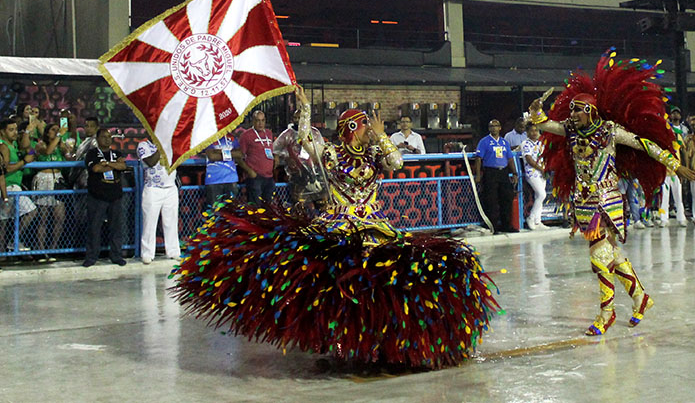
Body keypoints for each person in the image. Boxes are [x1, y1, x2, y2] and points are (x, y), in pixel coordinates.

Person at [171, 86, 498, 370]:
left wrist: (383, 136)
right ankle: (335, 335)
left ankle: (374, 333)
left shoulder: (373, 154)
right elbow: (303, 144)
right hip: (337, 225)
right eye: (366, 125)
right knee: (335, 285)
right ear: (352, 127)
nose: (369, 130)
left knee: (380, 282)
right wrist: (305, 113)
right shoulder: (330, 153)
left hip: (373, 224)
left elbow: (396, 162)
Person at [528, 50, 695, 336]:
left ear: (591, 110)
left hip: (606, 200)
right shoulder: (570, 130)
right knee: (612, 254)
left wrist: (674, 164)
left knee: (598, 257)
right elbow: (545, 125)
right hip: (582, 201)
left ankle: (607, 312)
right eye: (573, 110)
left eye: (579, 109)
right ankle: (640, 297)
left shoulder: (609, 131)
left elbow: (644, 144)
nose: (574, 114)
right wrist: (536, 112)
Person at [83, 128, 127, 267]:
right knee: (94, 227)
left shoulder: (116, 153)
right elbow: (95, 169)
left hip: (115, 195)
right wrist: (114, 166)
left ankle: (116, 255)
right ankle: (91, 257)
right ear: (97, 139)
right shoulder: (92, 153)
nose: (107, 139)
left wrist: (107, 164)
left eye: (109, 137)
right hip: (98, 195)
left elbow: (122, 166)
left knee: (116, 227)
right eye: (104, 137)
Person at [137, 137, 181, 265]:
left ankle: (173, 251)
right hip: (153, 189)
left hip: (170, 187)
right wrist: (160, 147)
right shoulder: (143, 145)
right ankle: (147, 254)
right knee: (149, 222)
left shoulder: (169, 143)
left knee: (171, 221)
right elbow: (150, 162)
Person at [273, 109, 327, 206]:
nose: (297, 120)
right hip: (297, 175)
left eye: (300, 117)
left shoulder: (314, 133)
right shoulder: (287, 134)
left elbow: (322, 150)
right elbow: (275, 149)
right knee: (300, 204)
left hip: (315, 174)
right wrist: (286, 157)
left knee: (321, 203)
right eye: (295, 118)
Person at [474, 118, 519, 233]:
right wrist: (478, 175)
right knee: (491, 200)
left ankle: (506, 225)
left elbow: (509, 158)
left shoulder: (504, 142)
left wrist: (514, 173)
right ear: (489, 129)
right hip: (490, 172)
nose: (494, 128)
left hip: (503, 172)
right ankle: (493, 226)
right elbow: (478, 159)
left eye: (496, 126)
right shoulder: (484, 141)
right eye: (491, 126)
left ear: (500, 128)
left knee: (506, 198)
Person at [32, 123, 69, 258]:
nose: (57, 132)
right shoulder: (40, 144)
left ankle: (53, 248)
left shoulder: (60, 144)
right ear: (47, 133)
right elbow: (47, 151)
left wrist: (67, 149)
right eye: (54, 130)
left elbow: (70, 157)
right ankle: (41, 249)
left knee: (60, 217)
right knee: (44, 217)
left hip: (57, 180)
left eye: (58, 130)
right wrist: (58, 137)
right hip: (44, 180)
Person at [0, 119, 36, 248]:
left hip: (15, 186)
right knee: (29, 211)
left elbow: (31, 153)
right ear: (2, 132)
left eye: (16, 129)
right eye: (11, 130)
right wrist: (23, 162)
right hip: (9, 187)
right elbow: (5, 169)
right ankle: (11, 242)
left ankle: (9, 245)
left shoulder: (13, 144)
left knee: (5, 220)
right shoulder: (3, 146)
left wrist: (31, 147)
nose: (15, 133)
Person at [238, 110, 276, 205]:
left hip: (269, 177)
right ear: (253, 121)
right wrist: (250, 172)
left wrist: (276, 157)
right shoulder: (246, 135)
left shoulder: (269, 133)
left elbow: (271, 150)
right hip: (255, 178)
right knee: (256, 208)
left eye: (263, 120)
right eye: (258, 120)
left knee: (269, 207)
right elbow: (239, 157)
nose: (260, 123)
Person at [659, 113, 688, 227]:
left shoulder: (677, 136)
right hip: (664, 171)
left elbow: (683, 151)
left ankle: (681, 218)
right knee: (664, 197)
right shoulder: (660, 138)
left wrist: (685, 168)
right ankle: (664, 219)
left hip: (676, 170)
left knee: (678, 196)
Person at [203, 133, 244, 206]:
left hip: (231, 179)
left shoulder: (232, 138)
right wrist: (231, 153)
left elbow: (240, 154)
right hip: (214, 180)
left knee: (232, 211)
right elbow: (212, 156)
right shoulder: (209, 138)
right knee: (214, 211)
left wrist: (219, 152)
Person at [520, 122, 545, 230]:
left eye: (536, 130)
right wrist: (541, 169)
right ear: (527, 132)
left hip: (542, 172)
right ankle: (530, 218)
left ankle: (537, 221)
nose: (534, 133)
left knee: (538, 196)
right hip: (532, 173)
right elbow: (529, 160)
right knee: (541, 194)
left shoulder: (540, 143)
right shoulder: (525, 144)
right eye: (532, 130)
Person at [71, 116, 100, 189]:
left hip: (89, 181)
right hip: (81, 180)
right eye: (87, 126)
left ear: (97, 128)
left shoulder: (95, 141)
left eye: (92, 126)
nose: (89, 129)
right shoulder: (85, 141)